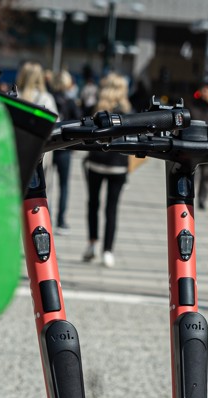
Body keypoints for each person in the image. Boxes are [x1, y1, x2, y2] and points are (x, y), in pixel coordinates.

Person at [81, 73, 131, 268]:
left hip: (96, 160)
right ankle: (107, 251)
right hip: (118, 164)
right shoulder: (127, 110)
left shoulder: (97, 109)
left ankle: (92, 243)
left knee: (93, 203)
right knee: (112, 209)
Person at [49, 70, 80, 229]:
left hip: (48, 147)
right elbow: (78, 120)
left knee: (46, 183)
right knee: (64, 185)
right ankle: (61, 220)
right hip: (65, 148)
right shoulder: (70, 101)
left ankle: (45, 217)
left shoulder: (50, 98)